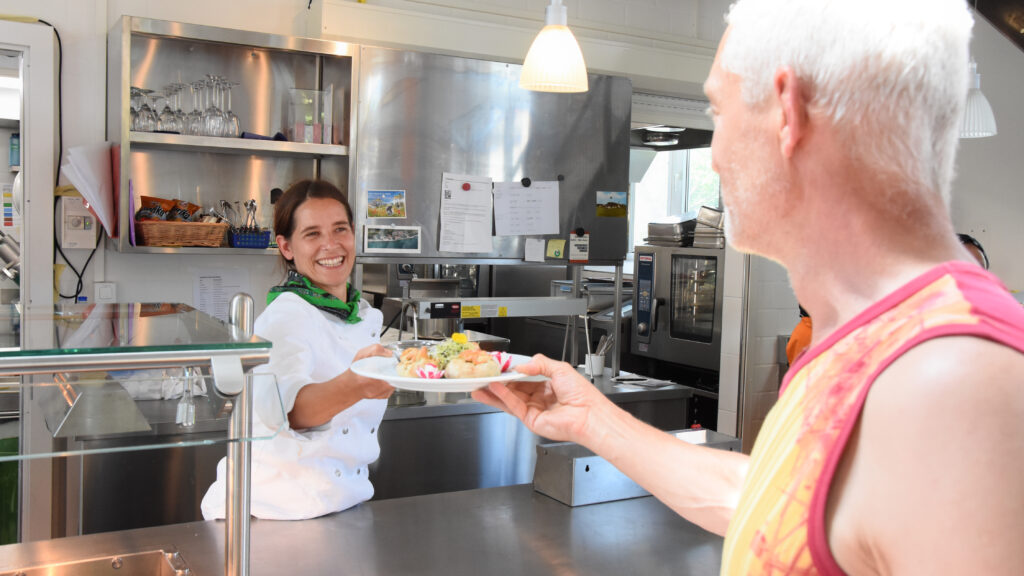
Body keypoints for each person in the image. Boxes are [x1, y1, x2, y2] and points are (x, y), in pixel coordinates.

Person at [473, 1, 1024, 574]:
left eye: (717, 108)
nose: (713, 151)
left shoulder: (957, 386)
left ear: (786, 112)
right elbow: (771, 503)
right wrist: (593, 420)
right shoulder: (860, 340)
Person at [202, 179, 394, 520]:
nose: (331, 245)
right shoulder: (286, 314)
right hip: (273, 510)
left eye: (340, 229)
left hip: (340, 504)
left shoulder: (361, 314)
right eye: (312, 234)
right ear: (286, 247)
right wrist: (358, 383)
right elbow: (290, 412)